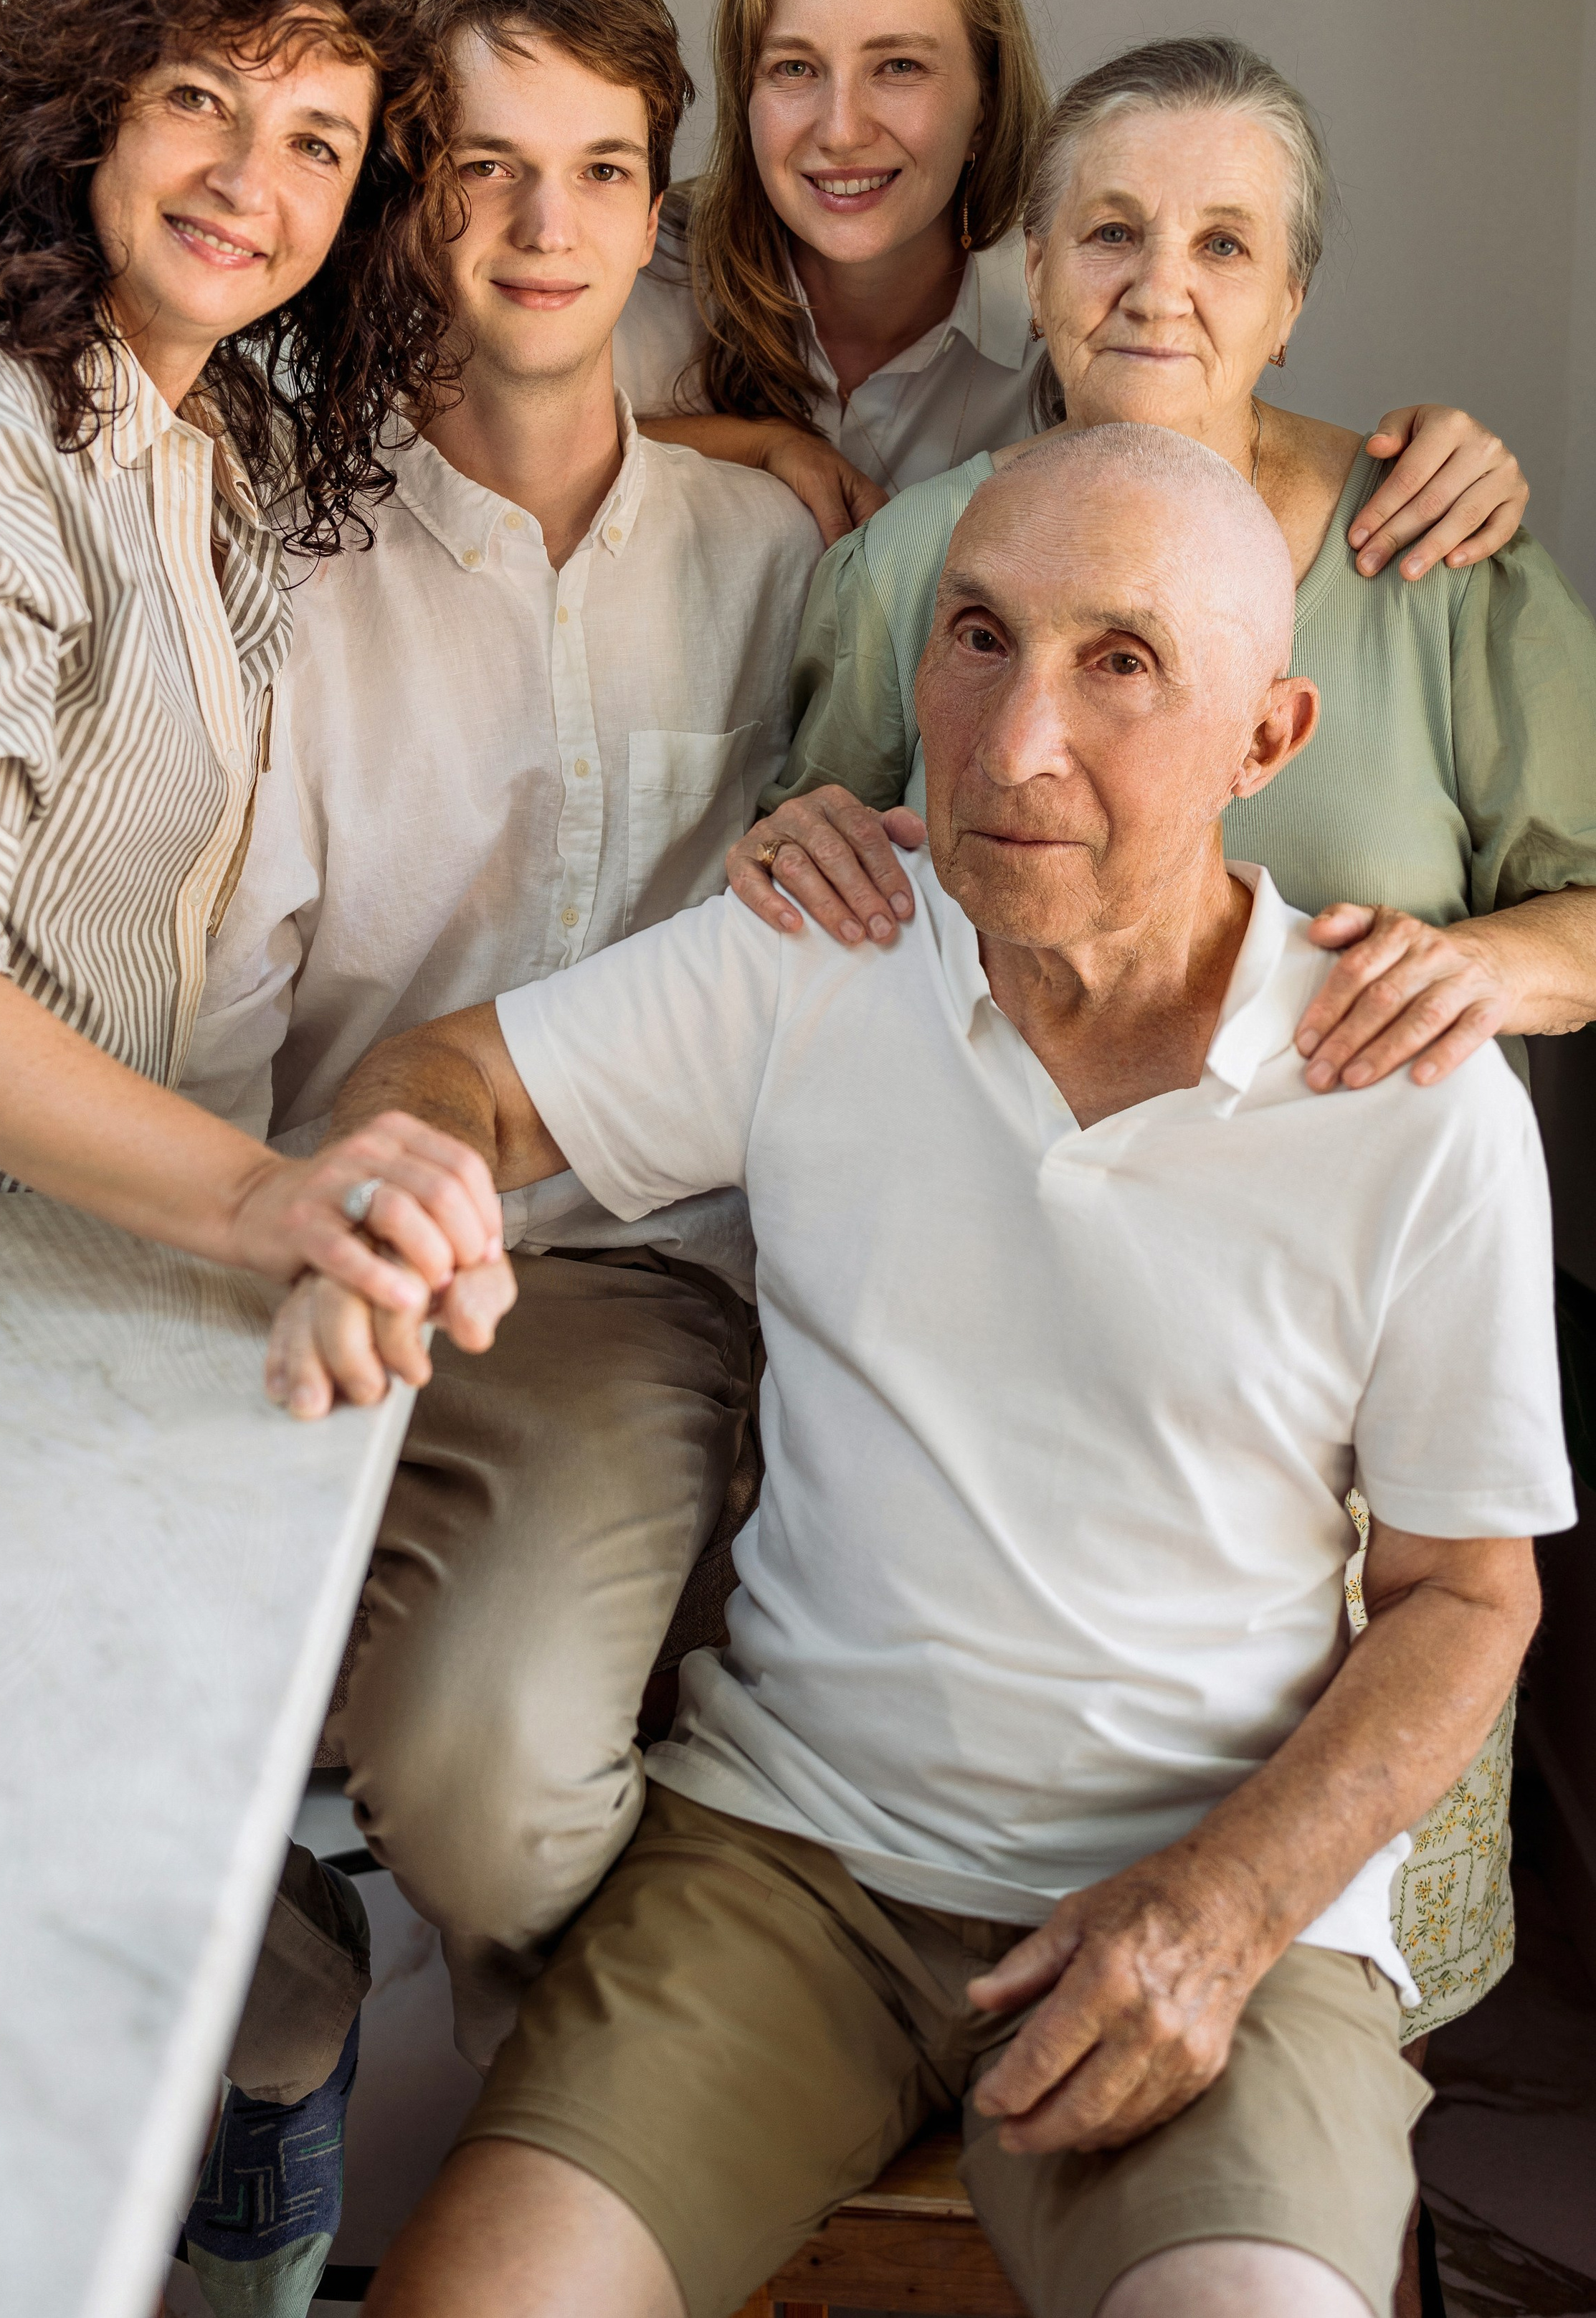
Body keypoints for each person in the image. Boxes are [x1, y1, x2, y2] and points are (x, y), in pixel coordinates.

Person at [271, 429, 1573, 2318]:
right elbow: (453, 1074)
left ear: (1267, 738)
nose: (1014, 737)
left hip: (1217, 1894)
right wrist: (398, 1185)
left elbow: (1473, 1594)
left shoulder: (1410, 1095)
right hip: (790, 1863)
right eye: (978, 637)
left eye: (1119, 662)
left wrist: (1220, 1912)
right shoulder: (821, 951)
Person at [725, 34, 1596, 2046]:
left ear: (1294, 297)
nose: (1160, 284)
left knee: (1300, 1981)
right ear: (1032, 263)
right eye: (1110, 229)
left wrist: (1490, 971)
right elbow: (829, 882)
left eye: (1226, 242)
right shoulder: (918, 562)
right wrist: (783, 843)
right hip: (993, 1365)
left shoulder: (1432, 555)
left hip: (1350, 1378)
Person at [174, 0, 820, 2301]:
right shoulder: (279, 548)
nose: (546, 229)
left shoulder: (786, 554)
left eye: (603, 171)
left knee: (502, 1798)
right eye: (482, 167)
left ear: (665, 207)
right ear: (410, 200)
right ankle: (275, 2030)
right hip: (287, 1234)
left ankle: (548, 2087)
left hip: (620, 1285)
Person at [0, 0, 505, 1325]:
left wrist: (746, 450)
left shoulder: (209, 434)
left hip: (44, 1239)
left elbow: (503, 439)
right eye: (195, 101)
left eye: (315, 142)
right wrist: (253, 1196)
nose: (248, 182)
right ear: (85, 107)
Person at [619, 0, 1531, 569]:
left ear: (985, 97)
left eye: (899, 66)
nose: (841, 126)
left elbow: (1233, 453)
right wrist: (759, 444)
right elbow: (493, 434)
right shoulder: (630, 262)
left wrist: (1444, 455)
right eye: (794, 68)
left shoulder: (1080, 317)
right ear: (746, 93)